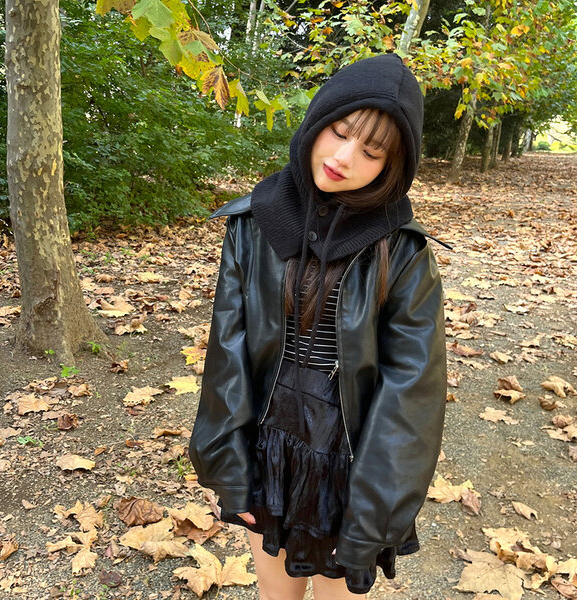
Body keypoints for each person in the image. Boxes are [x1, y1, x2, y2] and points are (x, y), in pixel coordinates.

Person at [189, 53, 448, 599]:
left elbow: (412, 395)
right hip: (269, 449)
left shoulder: (402, 251)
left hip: (349, 464)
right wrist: (227, 467)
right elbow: (228, 353)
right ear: (318, 120)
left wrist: (374, 513)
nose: (343, 157)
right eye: (340, 131)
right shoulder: (253, 224)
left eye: (371, 152)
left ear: (391, 166)